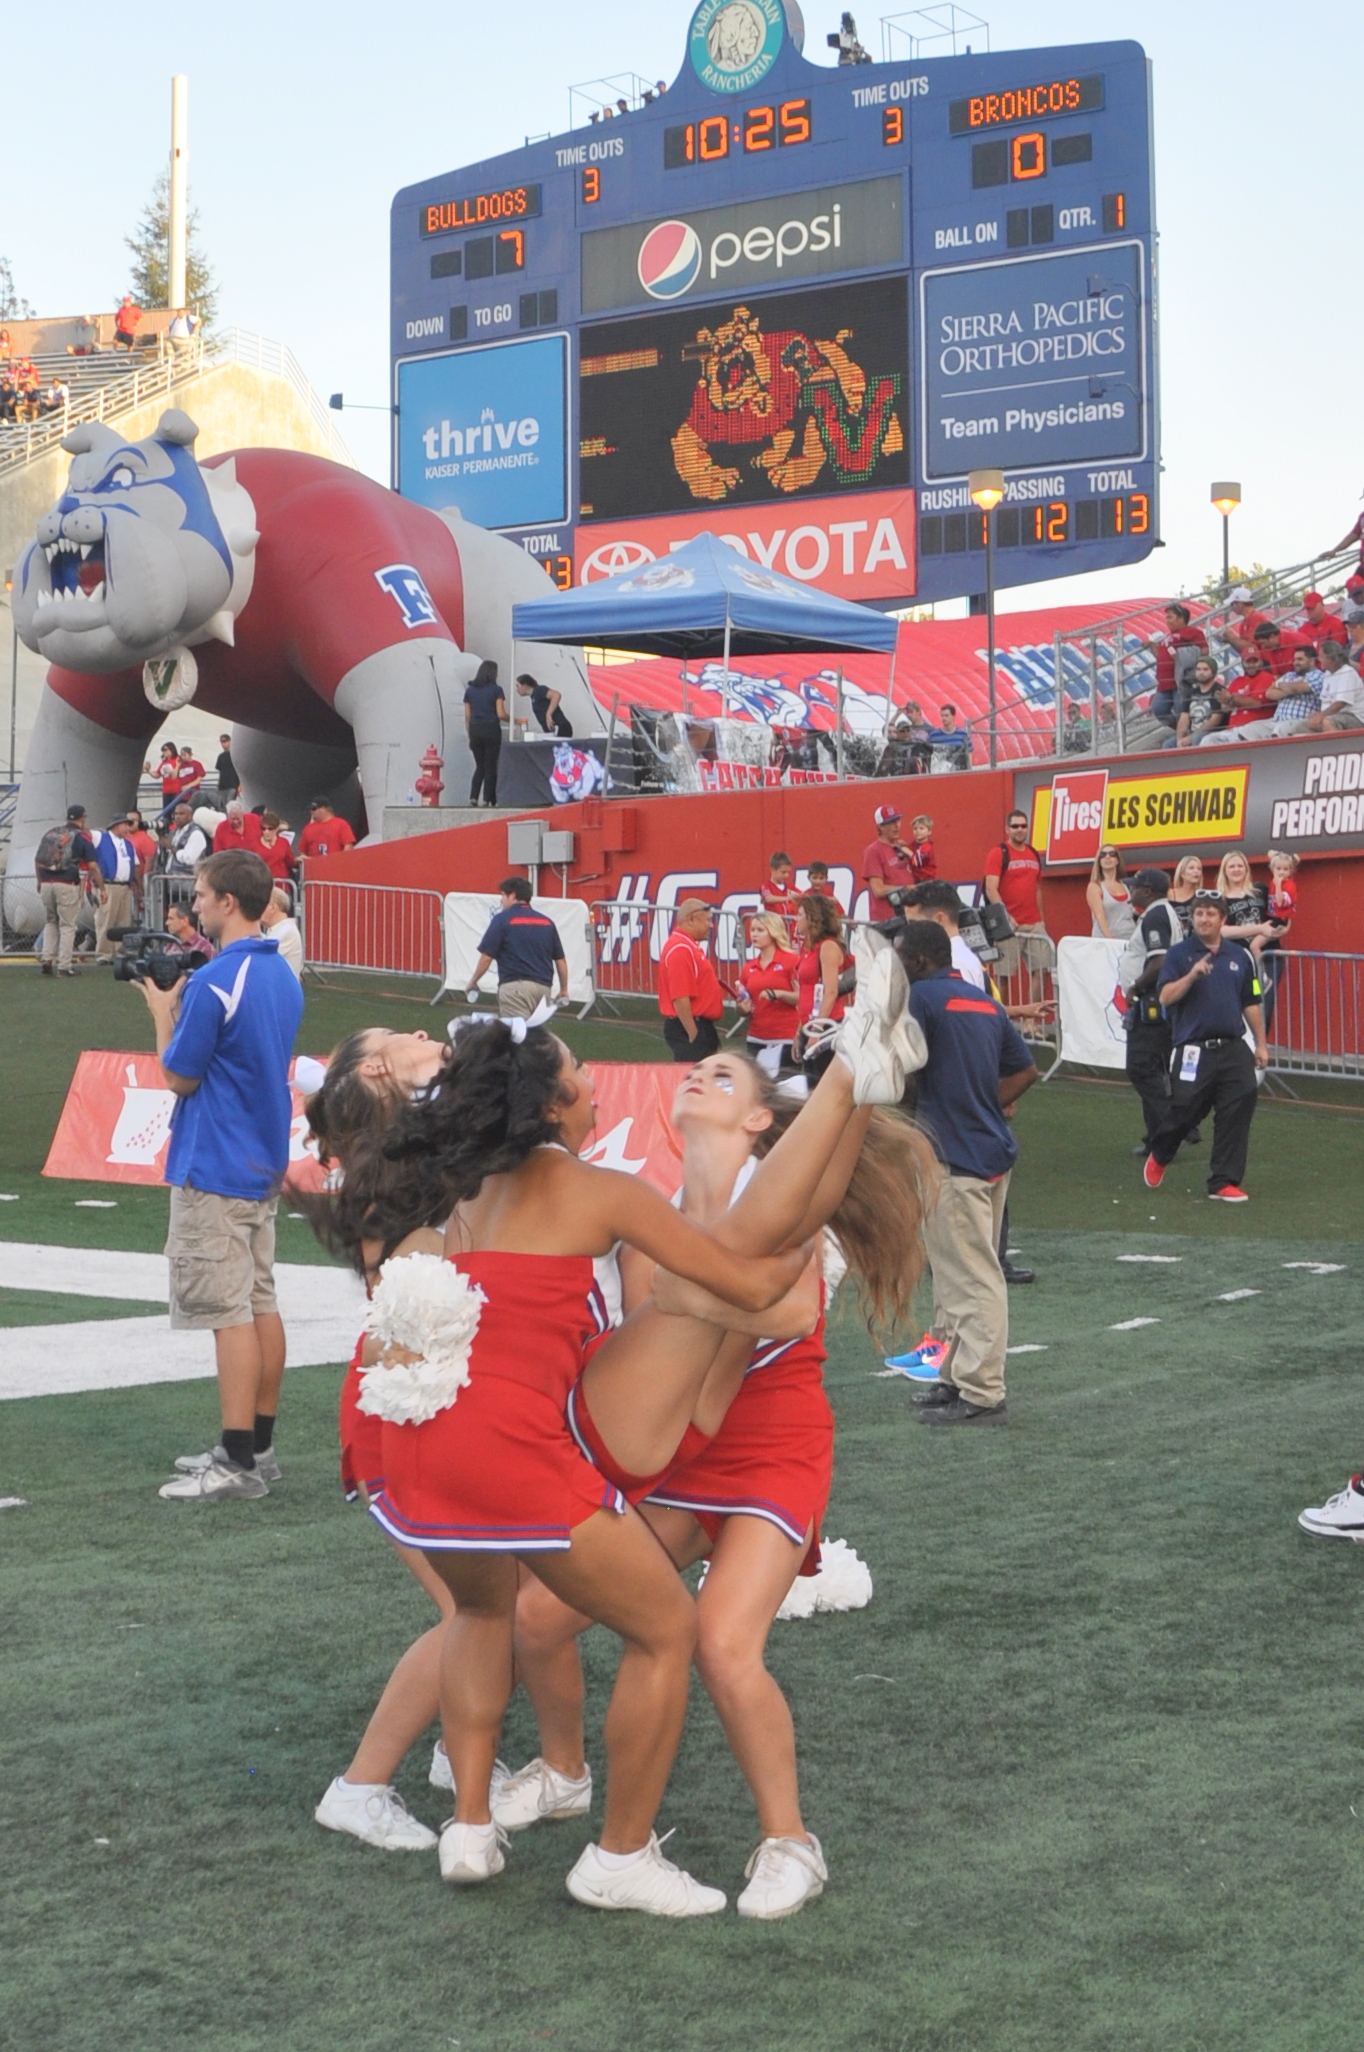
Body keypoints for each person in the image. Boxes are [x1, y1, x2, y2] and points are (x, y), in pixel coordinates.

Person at [303, 963, 915, 1908]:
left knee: (485, 1616)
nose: (597, 1082)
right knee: (661, 1630)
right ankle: (617, 1854)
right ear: (551, 1105)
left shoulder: (458, 1191)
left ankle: (474, 1822)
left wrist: (709, 1296)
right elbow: (757, 1289)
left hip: (467, 1443)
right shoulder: (596, 1191)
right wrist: (742, 1285)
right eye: (581, 1071)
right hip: (573, 1436)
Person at [512, 1052, 935, 1920]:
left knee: (722, 1643)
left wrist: (693, 1296)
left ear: (758, 1121)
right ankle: (563, 1772)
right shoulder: (651, 1218)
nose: (699, 1075)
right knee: (539, 1614)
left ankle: (791, 1843)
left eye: (725, 1076)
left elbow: (785, 1313)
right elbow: (663, 1352)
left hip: (773, 1447)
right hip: (685, 1450)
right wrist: (695, 1297)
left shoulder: (781, 1201)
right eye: (696, 1070)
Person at [147, 850, 306, 1500]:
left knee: (228, 1312)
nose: (196, 904)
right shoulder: (282, 974)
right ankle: (257, 1447)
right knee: (259, 1301)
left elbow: (179, 1076)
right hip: (260, 1160)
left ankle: (237, 1460)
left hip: (215, 1161)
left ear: (228, 902)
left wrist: (162, 1013)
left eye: (202, 894)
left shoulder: (217, 979)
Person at [894, 920, 1039, 1424]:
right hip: (989, 1148)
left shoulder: (921, 999)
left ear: (918, 960)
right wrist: (984, 1105)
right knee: (960, 1274)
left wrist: (906, 1120)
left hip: (952, 1156)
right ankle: (957, 1375)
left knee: (971, 1277)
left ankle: (981, 1391)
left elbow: (906, 1072)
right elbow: (1025, 1069)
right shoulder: (983, 1001)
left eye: (900, 957)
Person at [1142, 892, 1269, 1203]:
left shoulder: (1241, 956)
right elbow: (1165, 997)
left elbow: (1251, 1002)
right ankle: (1162, 1152)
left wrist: (1261, 1044)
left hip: (1233, 1045)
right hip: (1193, 1049)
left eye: (1211, 914)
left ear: (1222, 919)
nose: (1204, 919)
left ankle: (1223, 1181)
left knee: (1239, 1104)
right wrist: (1192, 975)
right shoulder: (1178, 954)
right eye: (1199, 913)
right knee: (1185, 1108)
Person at [1117, 868, 1184, 1159]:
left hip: (1152, 1002)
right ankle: (1156, 1137)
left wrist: (1136, 986)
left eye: (1135, 887)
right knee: (1154, 1069)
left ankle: (1175, 1128)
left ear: (1147, 891)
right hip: (1159, 1002)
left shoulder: (1156, 915)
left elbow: (1159, 961)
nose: (1131, 891)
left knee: (1141, 1068)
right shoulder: (1162, 913)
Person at [466, 877, 569, 1018]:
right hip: (544, 988)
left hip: (515, 988)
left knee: (515, 1030)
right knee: (534, 1030)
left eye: (503, 895)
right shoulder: (547, 922)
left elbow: (487, 957)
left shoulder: (502, 920)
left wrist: (473, 981)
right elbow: (560, 960)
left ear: (513, 895)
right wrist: (563, 989)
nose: (501, 900)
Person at [34, 804, 101, 976]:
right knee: (68, 925)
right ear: (82, 818)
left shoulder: (51, 834)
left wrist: (40, 881)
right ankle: (64, 965)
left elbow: (38, 859)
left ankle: (47, 958)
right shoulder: (82, 837)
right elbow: (93, 866)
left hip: (46, 883)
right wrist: (101, 887)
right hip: (67, 884)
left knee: (51, 921)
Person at [983, 810, 1048, 982]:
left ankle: (1034, 1003)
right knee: (1003, 976)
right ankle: (1000, 1002)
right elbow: (991, 889)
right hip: (1009, 926)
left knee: (1042, 971)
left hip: (1034, 924)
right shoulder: (998, 853)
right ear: (1007, 829)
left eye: (1023, 826)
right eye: (1015, 826)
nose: (1020, 829)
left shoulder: (1033, 853)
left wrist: (1042, 918)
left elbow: (1038, 888)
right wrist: (1006, 917)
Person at [658, 898, 724, 1061]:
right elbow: (680, 996)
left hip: (697, 1024)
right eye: (708, 920)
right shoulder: (681, 949)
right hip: (691, 1026)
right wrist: (693, 1033)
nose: (711, 925)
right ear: (691, 919)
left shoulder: (686, 946)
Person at [736, 912, 798, 1068]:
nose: (754, 934)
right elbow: (743, 1004)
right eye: (752, 930)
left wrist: (779, 994)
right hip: (756, 1037)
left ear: (773, 932)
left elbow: (803, 997)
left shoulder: (792, 961)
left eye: (760, 930)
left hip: (786, 1037)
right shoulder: (748, 967)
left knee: (785, 1082)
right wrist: (742, 1008)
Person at [793, 894, 849, 1064]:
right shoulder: (809, 948)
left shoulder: (828, 947)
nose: (796, 919)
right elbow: (806, 993)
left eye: (800, 915)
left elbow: (831, 991)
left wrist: (817, 1030)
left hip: (826, 1025)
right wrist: (799, 1032)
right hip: (809, 1023)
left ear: (812, 918)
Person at [901, 879, 986, 989]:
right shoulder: (959, 958)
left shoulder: (957, 963)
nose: (910, 930)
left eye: (914, 923)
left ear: (940, 919)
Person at [1141, 603, 1208, 733]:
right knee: (1159, 709)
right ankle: (1182, 733)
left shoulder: (1192, 632)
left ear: (1181, 618)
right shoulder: (1167, 637)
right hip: (1164, 683)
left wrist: (1184, 658)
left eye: (1170, 617)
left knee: (1181, 712)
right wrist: (1152, 645)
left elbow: (1204, 651)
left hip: (1180, 681)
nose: (1167, 621)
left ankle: (1186, 735)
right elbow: (1160, 655)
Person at [1197, 649, 1277, 743]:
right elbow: (1225, 708)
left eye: (1255, 661)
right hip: (1232, 730)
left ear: (1261, 662)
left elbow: (1256, 703)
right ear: (1242, 662)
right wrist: (1229, 702)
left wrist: (1231, 700)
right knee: (1207, 740)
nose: (1251, 665)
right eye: (1248, 661)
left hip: (1253, 729)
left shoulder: (1266, 677)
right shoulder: (1237, 681)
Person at [862, 805, 918, 922]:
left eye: (898, 821)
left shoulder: (903, 847)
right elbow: (878, 890)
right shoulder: (873, 851)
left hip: (910, 916)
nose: (896, 826)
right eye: (891, 822)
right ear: (880, 827)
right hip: (888, 921)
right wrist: (908, 888)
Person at [93, 816, 138, 959]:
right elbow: (86, 833)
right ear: (116, 825)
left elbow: (135, 865)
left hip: (125, 886)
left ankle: (120, 952)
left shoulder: (128, 844)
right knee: (106, 919)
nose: (127, 828)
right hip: (108, 884)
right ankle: (104, 953)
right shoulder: (101, 838)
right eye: (125, 825)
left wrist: (136, 885)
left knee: (123, 921)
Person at [464, 659, 507, 807]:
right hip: (491, 728)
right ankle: (488, 799)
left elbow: (467, 716)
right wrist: (515, 720)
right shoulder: (497, 690)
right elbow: (501, 713)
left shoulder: (470, 691)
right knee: (491, 766)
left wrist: (469, 734)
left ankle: (473, 796)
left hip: (475, 730)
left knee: (480, 766)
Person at [1215, 853, 1272, 950]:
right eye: (1231, 866)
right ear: (1224, 871)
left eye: (1240, 866)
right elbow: (1221, 931)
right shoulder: (1219, 899)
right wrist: (1260, 928)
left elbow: (1280, 915)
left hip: (1269, 952)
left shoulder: (1260, 890)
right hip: (1239, 954)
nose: (1236, 869)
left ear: (1246, 869)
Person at [1305, 641, 1364, 732]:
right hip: (1333, 715)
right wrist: (1317, 715)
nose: (1319, 659)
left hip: (1353, 717)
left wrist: (1321, 715)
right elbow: (1326, 701)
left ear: (1330, 658)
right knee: (1300, 726)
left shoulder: (1347, 672)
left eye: (1321, 656)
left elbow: (1341, 703)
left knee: (1327, 722)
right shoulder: (1327, 674)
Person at [1174, 656, 1229, 746]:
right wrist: (1179, 739)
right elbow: (1184, 717)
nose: (1201, 672)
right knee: (1168, 744)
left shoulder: (1219, 691)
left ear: (1213, 672)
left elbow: (1215, 720)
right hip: (1192, 733)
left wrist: (1190, 738)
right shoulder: (1191, 692)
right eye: (1198, 669)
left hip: (1211, 733)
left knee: (1197, 739)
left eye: (1205, 669)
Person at [1086, 845, 1135, 940]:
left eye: (1112, 854)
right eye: (1103, 855)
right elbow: (1100, 916)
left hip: (1129, 937)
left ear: (1117, 860)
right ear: (1099, 861)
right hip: (1107, 940)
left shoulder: (1126, 885)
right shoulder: (1095, 886)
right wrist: (1111, 939)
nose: (1107, 857)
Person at [295, 797, 357, 862]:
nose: (311, 812)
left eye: (313, 809)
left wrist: (340, 862)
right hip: (315, 866)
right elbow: (303, 852)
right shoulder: (308, 828)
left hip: (336, 864)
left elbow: (348, 847)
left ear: (323, 809)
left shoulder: (341, 824)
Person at [260, 887, 304, 979]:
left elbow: (261, 960)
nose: (257, 910)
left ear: (272, 907)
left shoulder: (286, 932)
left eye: (261, 905)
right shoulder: (280, 930)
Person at [516, 672, 572, 738]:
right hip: (552, 731)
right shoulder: (534, 696)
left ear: (525, 686)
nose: (517, 689)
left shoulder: (539, 690)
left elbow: (556, 695)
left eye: (518, 686)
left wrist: (548, 714)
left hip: (560, 728)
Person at [256, 811, 297, 888]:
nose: (266, 832)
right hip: (262, 885)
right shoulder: (254, 844)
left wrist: (298, 861)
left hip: (282, 885)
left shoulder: (283, 842)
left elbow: (290, 862)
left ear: (276, 828)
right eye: (263, 828)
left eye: (270, 828)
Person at [924, 704, 970, 772]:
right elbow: (927, 753)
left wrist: (969, 770)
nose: (944, 718)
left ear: (953, 716)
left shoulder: (962, 734)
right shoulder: (934, 735)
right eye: (942, 716)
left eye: (946, 715)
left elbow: (968, 753)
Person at [1167, 855, 1204, 934]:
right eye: (1191, 868)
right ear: (1182, 873)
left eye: (1199, 869)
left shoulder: (1201, 896)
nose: (1196, 871)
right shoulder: (1170, 894)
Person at [761, 853, 799, 921]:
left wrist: (799, 897)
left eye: (788, 872)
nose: (787, 875)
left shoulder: (790, 887)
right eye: (783, 872)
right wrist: (789, 898)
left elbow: (802, 895)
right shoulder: (766, 886)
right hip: (774, 924)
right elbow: (768, 899)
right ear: (773, 870)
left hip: (789, 925)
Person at [908, 814, 937, 880]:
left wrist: (907, 851)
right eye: (915, 829)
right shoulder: (913, 844)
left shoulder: (927, 847)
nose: (918, 831)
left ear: (929, 831)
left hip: (926, 880)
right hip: (915, 878)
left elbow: (917, 862)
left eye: (921, 828)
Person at [214, 734, 240, 802]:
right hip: (222, 786)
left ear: (230, 741)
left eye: (225, 742)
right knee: (222, 803)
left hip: (233, 785)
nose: (223, 744)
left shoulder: (236, 755)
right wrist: (218, 785)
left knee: (230, 803)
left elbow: (240, 770)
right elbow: (220, 771)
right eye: (222, 742)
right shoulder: (221, 756)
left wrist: (240, 785)